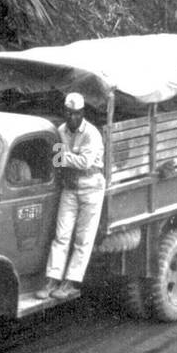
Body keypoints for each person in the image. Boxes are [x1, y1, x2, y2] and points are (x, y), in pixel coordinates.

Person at [35, 92, 106, 300]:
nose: (72, 117)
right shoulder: (60, 131)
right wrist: (64, 159)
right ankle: (52, 278)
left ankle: (71, 282)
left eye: (76, 113)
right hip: (70, 186)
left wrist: (63, 157)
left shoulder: (91, 134)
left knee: (83, 239)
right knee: (61, 235)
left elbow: (84, 162)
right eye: (68, 113)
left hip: (91, 187)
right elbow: (57, 161)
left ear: (82, 113)